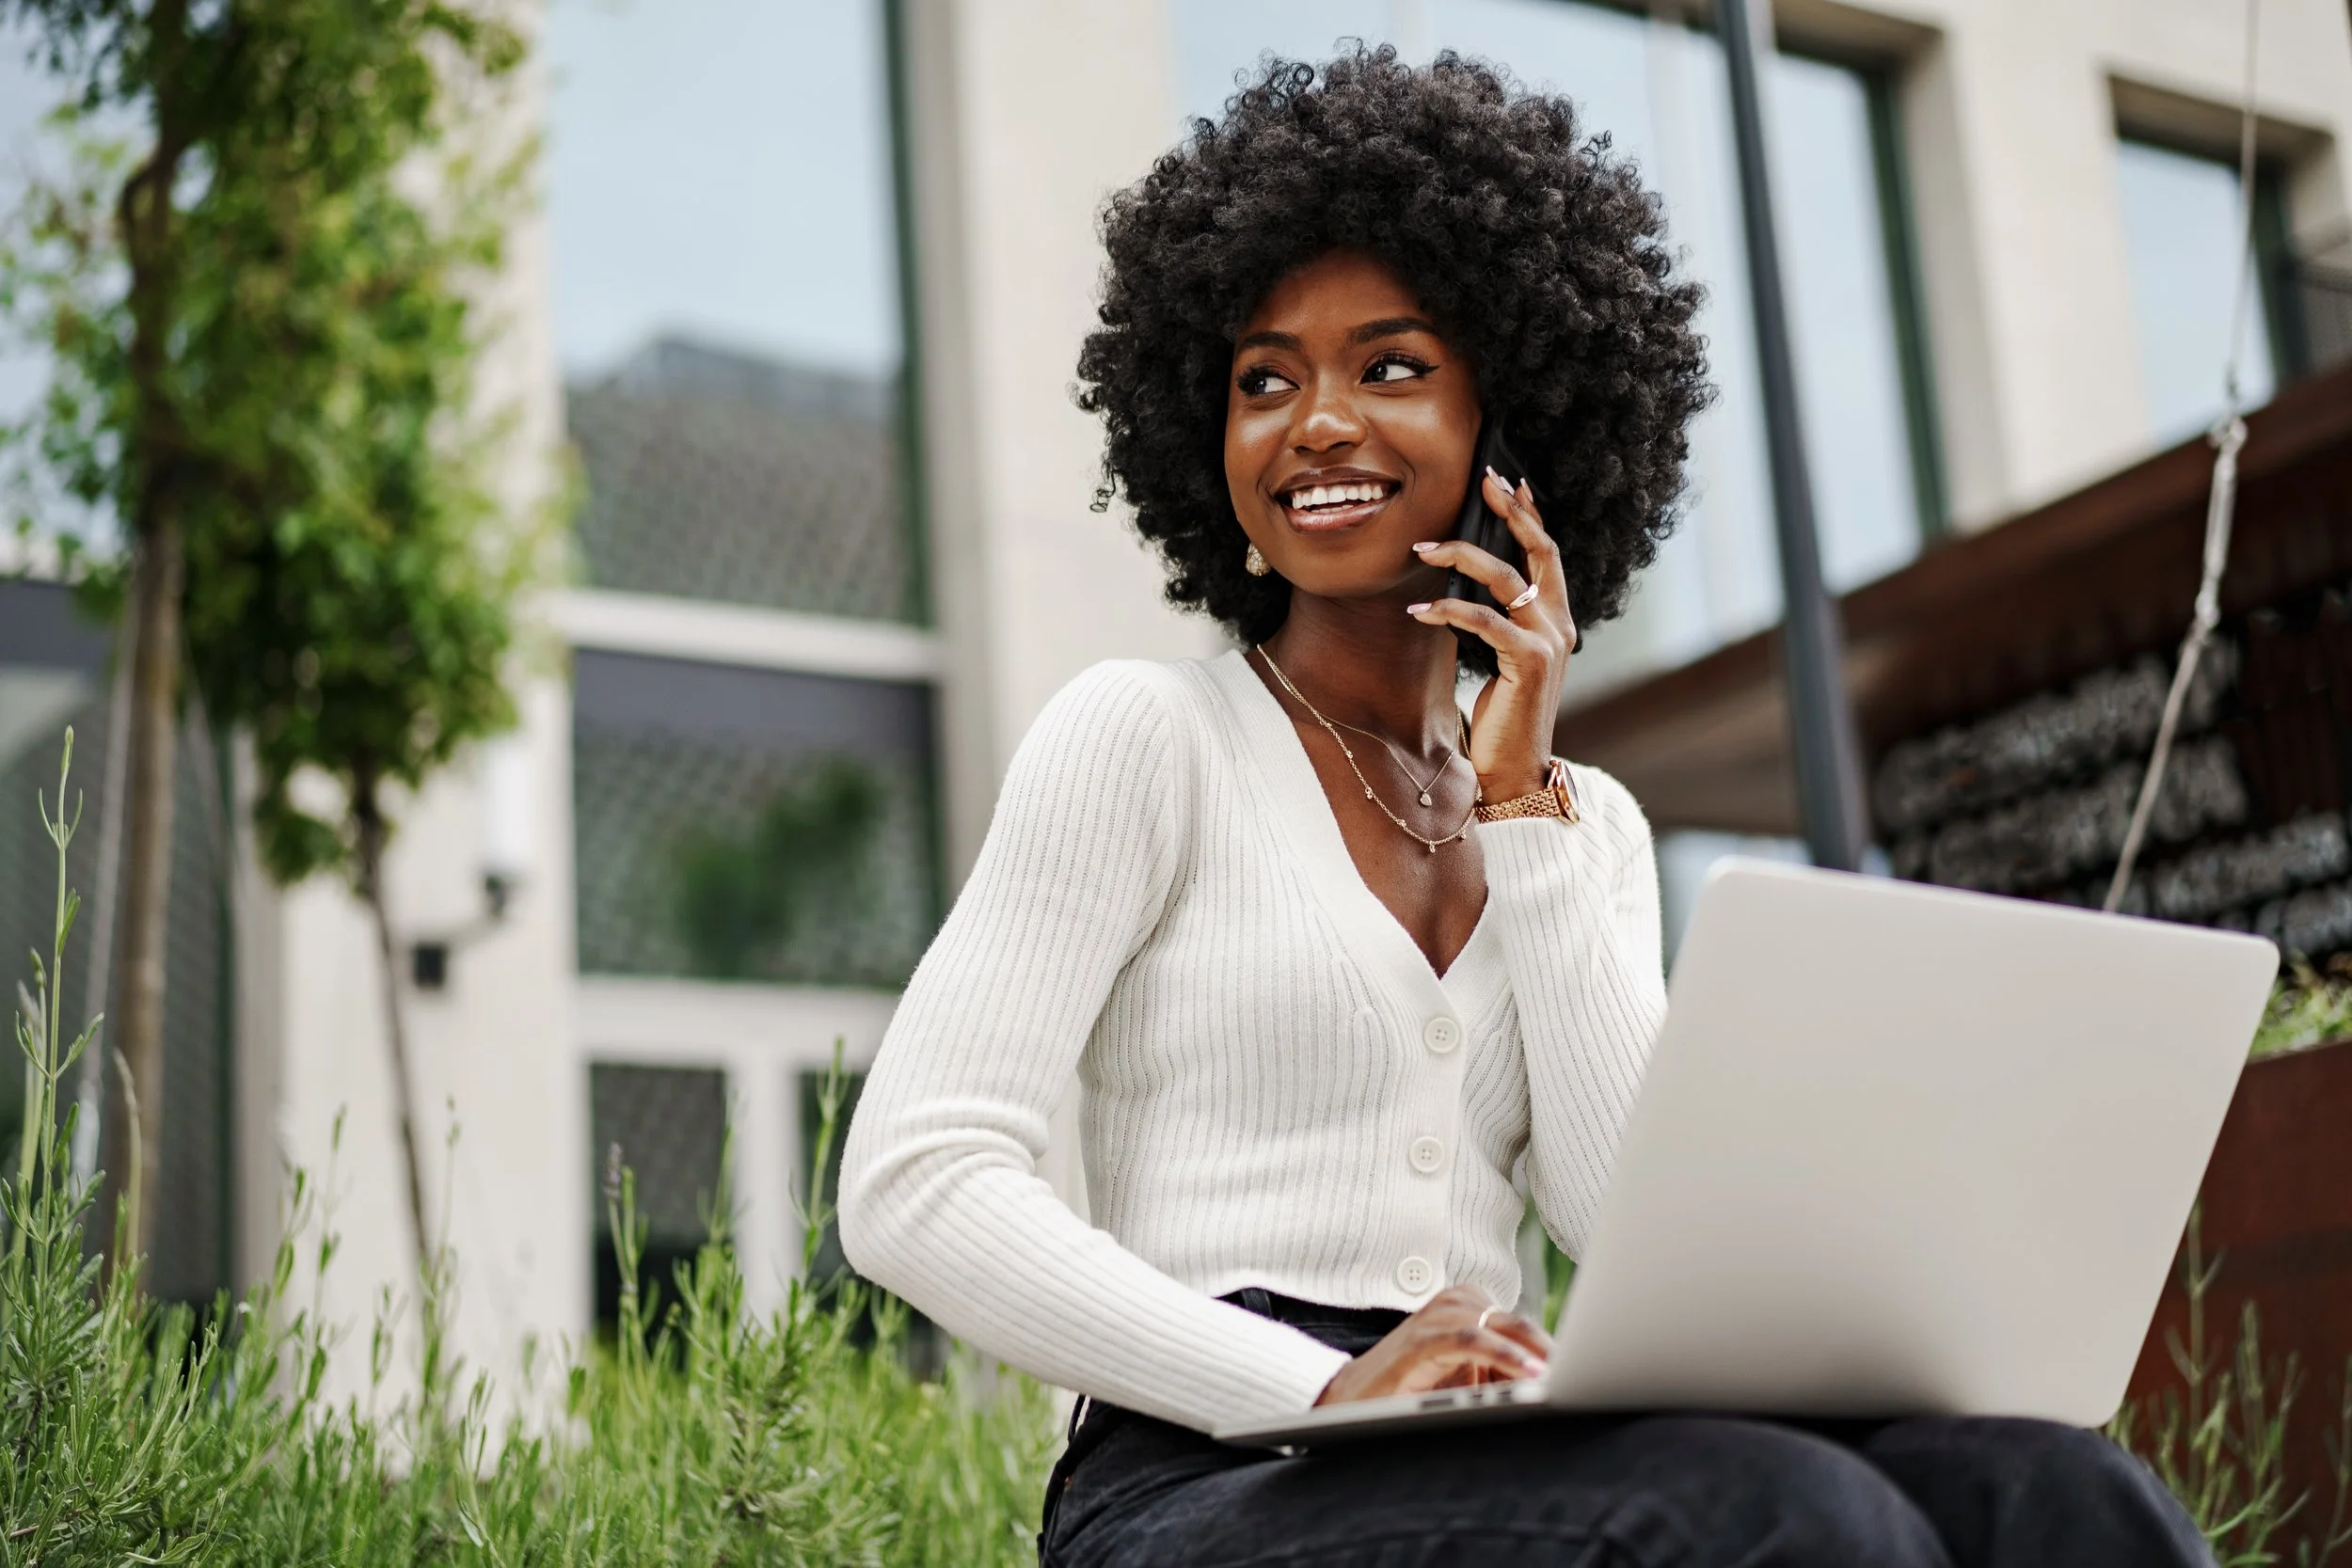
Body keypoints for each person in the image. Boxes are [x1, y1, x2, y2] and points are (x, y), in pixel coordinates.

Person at [839, 46, 2210, 1568]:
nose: (1315, 422)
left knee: (2055, 1489)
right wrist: (1321, 1382)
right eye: (1263, 379)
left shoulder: (1586, 827)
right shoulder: (1146, 739)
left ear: (1517, 417)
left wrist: (1521, 808)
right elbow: (917, 1183)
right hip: (1195, 1480)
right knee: (1782, 1517)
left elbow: (1628, 1224)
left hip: (1507, 1434)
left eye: (1392, 366)